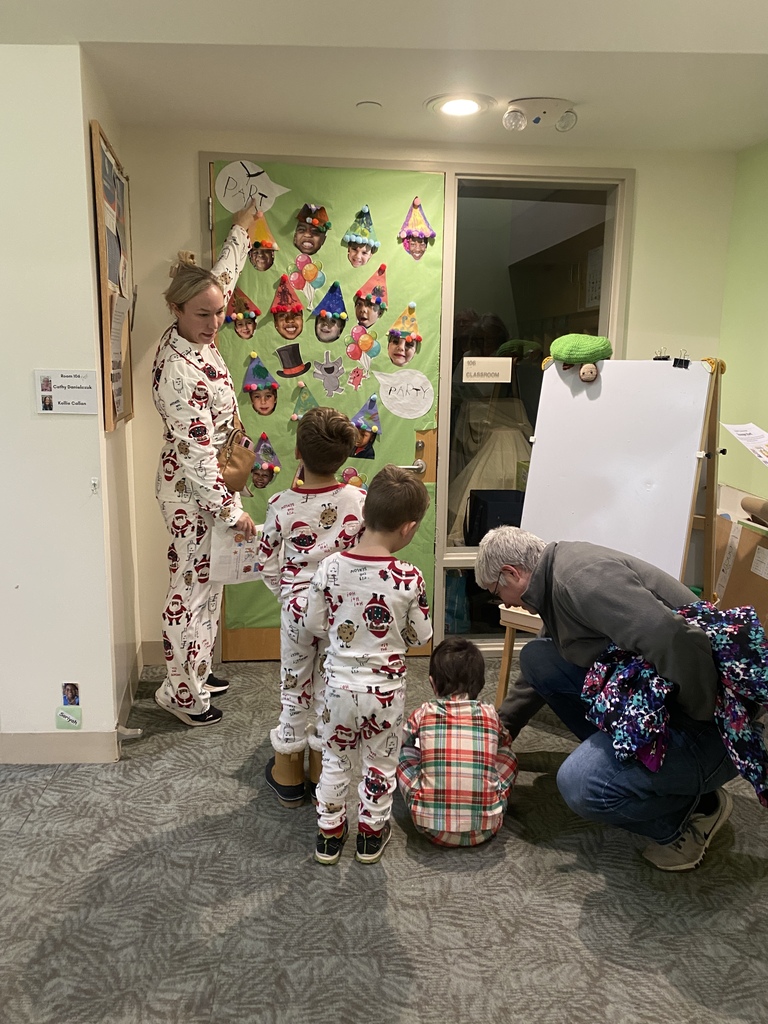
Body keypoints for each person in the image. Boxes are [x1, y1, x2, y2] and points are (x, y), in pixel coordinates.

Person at [475, 525, 739, 871]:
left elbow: (673, 641)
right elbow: (543, 668)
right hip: (666, 694)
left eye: (497, 592)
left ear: (512, 573)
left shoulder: (582, 580)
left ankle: (691, 816)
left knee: (580, 784)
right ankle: (642, 770)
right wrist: (501, 728)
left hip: (714, 721)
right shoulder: (555, 578)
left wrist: (697, 720)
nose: (503, 602)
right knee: (538, 658)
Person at [151, 200, 259, 727]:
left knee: (209, 584)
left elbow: (224, 275)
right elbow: (194, 455)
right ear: (175, 309)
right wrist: (229, 511)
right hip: (193, 491)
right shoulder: (179, 372)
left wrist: (242, 227)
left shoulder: (203, 319)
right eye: (203, 315)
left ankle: (198, 670)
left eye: (220, 312)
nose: (215, 322)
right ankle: (180, 693)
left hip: (211, 482)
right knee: (189, 592)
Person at [303, 464, 433, 865]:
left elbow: (312, 623)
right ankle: (371, 834)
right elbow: (421, 635)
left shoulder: (329, 567)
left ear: (365, 514)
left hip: (338, 690)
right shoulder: (409, 578)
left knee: (335, 760)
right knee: (380, 763)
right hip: (385, 696)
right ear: (409, 528)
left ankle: (329, 834)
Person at [256, 406, 366, 807]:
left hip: (297, 610)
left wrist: (288, 594)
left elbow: (266, 563)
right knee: (329, 687)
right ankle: (322, 768)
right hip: (343, 613)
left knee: (293, 684)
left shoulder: (281, 503)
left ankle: (287, 776)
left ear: (298, 452)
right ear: (347, 455)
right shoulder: (359, 500)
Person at [397, 637, 518, 847]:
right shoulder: (490, 713)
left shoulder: (424, 712)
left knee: (402, 754)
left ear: (432, 683)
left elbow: (401, 741)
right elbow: (504, 741)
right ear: (480, 684)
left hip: (429, 828)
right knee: (509, 756)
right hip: (486, 828)